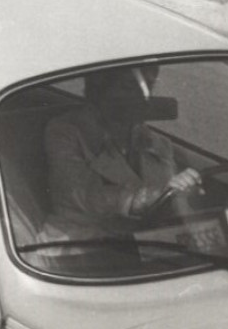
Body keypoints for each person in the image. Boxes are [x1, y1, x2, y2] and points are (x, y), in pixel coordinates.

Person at [43, 65, 202, 239]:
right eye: (127, 87)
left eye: (149, 85)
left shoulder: (158, 144)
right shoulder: (67, 131)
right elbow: (82, 194)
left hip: (144, 246)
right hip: (78, 245)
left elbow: (173, 201)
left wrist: (185, 192)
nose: (144, 96)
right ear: (100, 89)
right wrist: (144, 198)